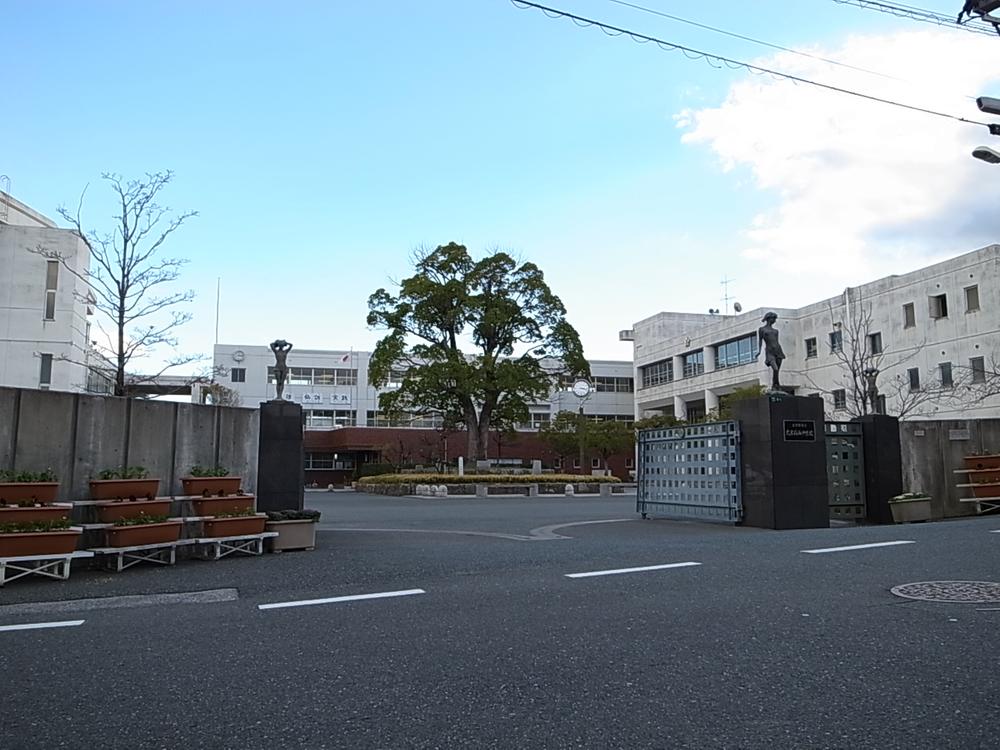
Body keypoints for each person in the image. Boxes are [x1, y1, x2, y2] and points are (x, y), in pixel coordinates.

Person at [758, 312, 785, 390]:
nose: (775, 321)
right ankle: (776, 384)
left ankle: (775, 385)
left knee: (777, 371)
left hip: (778, 351)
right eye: (774, 319)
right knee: (775, 368)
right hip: (769, 352)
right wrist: (759, 351)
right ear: (769, 318)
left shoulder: (776, 331)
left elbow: (776, 341)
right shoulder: (762, 329)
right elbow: (760, 340)